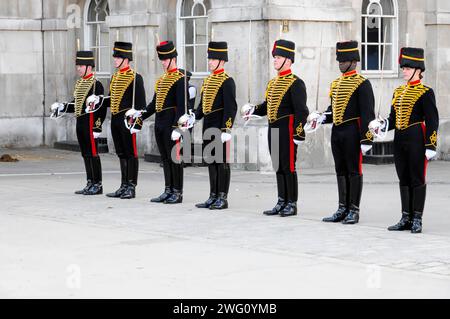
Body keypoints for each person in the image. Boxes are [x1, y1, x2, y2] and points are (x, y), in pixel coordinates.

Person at [369, 47, 439, 234]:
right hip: (399, 138)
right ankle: (405, 216)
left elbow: (433, 120)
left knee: (417, 178)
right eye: (403, 68)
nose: (404, 71)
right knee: (403, 178)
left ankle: (417, 218)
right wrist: (382, 124)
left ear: (418, 70)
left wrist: (430, 144)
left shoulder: (426, 92)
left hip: (417, 137)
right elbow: (393, 119)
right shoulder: (398, 92)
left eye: (407, 68)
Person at [308, 41, 375, 225]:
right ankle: (342, 207)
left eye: (343, 61)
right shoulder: (336, 84)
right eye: (339, 61)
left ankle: (354, 209)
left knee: (354, 170)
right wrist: (322, 117)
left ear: (353, 61)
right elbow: (334, 109)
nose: (340, 64)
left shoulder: (363, 84)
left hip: (353, 131)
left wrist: (366, 139)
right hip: (337, 131)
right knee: (340, 170)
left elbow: (367, 113)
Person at [241, 39, 309, 217]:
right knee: (278, 166)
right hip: (274, 129)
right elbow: (267, 107)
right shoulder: (272, 84)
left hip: (288, 130)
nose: (275, 61)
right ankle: (281, 201)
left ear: (288, 59)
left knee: (289, 167)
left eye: (278, 57)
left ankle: (291, 203)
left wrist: (298, 133)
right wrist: (253, 109)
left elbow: (302, 111)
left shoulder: (296, 83)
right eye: (275, 58)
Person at [136, 41, 188, 204]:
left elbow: (182, 106)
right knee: (165, 158)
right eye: (162, 60)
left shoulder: (181, 79)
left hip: (172, 123)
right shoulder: (162, 80)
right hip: (160, 123)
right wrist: (140, 115)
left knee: (175, 158)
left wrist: (177, 128)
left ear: (173, 58)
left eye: (166, 59)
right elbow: (154, 104)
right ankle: (168, 189)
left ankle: (177, 192)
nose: (163, 63)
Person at [50, 50, 106, 195]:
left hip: (90, 122)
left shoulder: (96, 85)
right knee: (85, 153)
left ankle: (97, 184)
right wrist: (62, 107)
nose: (78, 68)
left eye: (81, 65)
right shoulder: (80, 83)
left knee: (93, 153)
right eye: (78, 65)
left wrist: (97, 126)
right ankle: (89, 182)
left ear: (89, 66)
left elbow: (101, 109)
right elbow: (76, 104)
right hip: (80, 121)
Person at [193, 41, 237, 210]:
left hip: (220, 127)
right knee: (210, 161)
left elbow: (231, 107)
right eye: (209, 58)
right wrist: (193, 117)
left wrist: (226, 128)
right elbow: (203, 105)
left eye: (213, 59)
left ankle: (222, 197)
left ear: (222, 61)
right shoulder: (208, 80)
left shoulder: (227, 81)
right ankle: (213, 195)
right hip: (208, 125)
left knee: (221, 162)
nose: (210, 62)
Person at [104, 41, 146, 199]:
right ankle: (123, 185)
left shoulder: (136, 78)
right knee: (121, 153)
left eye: (118, 57)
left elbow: (141, 105)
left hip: (128, 121)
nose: (115, 60)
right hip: (115, 119)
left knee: (131, 153)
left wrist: (137, 123)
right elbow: (112, 99)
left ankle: (131, 186)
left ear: (126, 59)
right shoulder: (115, 77)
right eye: (115, 57)